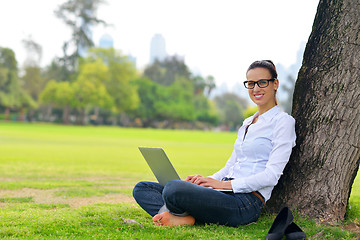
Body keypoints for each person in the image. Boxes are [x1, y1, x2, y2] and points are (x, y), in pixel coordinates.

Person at [132, 60, 296, 227]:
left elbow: (271, 175)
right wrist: (205, 180)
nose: (255, 89)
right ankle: (184, 217)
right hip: (222, 192)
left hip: (246, 201)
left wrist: (223, 185)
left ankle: (180, 214)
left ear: (275, 83)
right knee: (143, 188)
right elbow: (230, 166)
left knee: (174, 189)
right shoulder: (248, 122)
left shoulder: (283, 122)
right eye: (251, 84)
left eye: (262, 82)